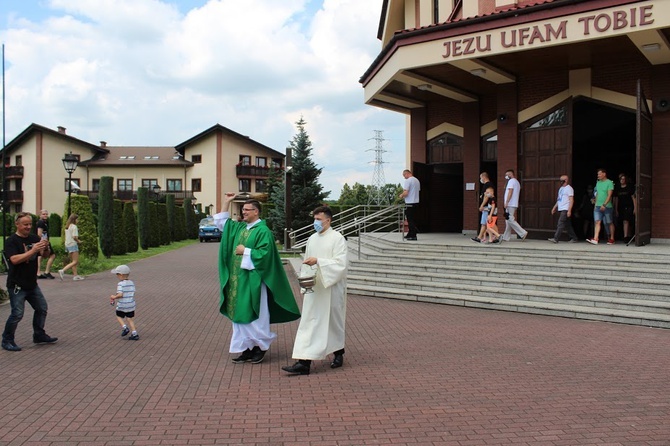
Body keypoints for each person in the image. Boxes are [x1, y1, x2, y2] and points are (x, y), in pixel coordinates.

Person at [215, 194, 300, 364]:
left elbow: (266, 255)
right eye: (243, 210)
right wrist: (226, 202)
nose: (243, 212)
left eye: (247, 210)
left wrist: (245, 251)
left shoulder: (263, 231)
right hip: (238, 281)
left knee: (256, 313)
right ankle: (246, 348)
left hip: (254, 280)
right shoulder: (240, 228)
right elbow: (221, 223)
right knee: (239, 315)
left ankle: (260, 347)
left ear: (256, 212)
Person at [282, 206, 348, 376]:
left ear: (329, 220)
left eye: (319, 219)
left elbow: (341, 264)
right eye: (314, 219)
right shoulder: (312, 238)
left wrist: (319, 261)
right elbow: (306, 261)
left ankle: (338, 353)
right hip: (315, 287)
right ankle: (304, 362)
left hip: (331, 287)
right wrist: (305, 283)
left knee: (333, 322)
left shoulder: (337, 238)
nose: (315, 222)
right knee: (310, 322)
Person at [1, 212, 58, 352]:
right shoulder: (11, 241)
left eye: (30, 224)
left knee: (42, 308)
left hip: (32, 284)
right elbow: (14, 259)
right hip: (17, 285)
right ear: (17, 224)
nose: (28, 227)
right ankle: (7, 340)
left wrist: (46, 248)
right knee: (17, 314)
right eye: (25, 224)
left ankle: (39, 335)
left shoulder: (34, 238)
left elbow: (44, 255)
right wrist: (33, 251)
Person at [109, 264, 139, 340]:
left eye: (117, 274)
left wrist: (114, 297)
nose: (117, 276)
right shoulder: (131, 282)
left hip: (123, 304)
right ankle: (134, 333)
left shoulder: (120, 284)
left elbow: (120, 294)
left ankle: (125, 327)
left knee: (118, 316)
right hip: (131, 304)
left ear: (121, 275)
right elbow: (133, 292)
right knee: (130, 318)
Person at [587, 168, 615, 245]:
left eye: (599, 174)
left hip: (607, 206)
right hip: (598, 206)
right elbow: (597, 194)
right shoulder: (598, 183)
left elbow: (609, 195)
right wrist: (595, 204)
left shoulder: (609, 182)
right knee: (597, 221)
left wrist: (604, 204)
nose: (598, 175)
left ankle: (612, 238)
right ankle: (596, 238)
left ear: (604, 174)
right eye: (598, 174)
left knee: (609, 222)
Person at [548, 175, 578, 243]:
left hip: (565, 208)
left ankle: (556, 238)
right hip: (561, 208)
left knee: (560, 223)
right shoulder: (561, 189)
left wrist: (569, 210)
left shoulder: (569, 189)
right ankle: (574, 238)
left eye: (562, 180)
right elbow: (559, 199)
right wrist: (554, 207)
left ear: (566, 180)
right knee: (568, 225)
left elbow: (571, 200)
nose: (561, 181)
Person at [501, 169, 528, 241]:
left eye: (507, 175)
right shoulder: (516, 182)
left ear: (510, 174)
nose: (506, 176)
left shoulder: (511, 181)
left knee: (510, 219)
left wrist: (506, 201)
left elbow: (510, 191)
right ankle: (506, 237)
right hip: (514, 203)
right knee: (508, 220)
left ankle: (522, 232)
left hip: (510, 203)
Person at [59, 213, 84, 281]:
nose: (78, 220)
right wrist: (79, 241)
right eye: (77, 219)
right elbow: (74, 237)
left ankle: (75, 275)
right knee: (75, 261)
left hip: (67, 244)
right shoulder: (74, 227)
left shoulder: (68, 226)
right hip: (73, 244)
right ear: (74, 219)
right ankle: (63, 270)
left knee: (73, 261)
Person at [472, 172, 494, 243]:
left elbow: (487, 196)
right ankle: (480, 237)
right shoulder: (486, 185)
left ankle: (497, 236)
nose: (480, 179)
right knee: (484, 224)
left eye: (481, 177)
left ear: (484, 177)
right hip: (486, 207)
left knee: (486, 224)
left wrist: (482, 205)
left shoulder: (488, 185)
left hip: (487, 207)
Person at [399, 169, 420, 241]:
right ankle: (410, 233)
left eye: (404, 175)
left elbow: (406, 192)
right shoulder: (417, 180)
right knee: (413, 219)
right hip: (416, 202)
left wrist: (401, 195)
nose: (404, 177)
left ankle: (413, 235)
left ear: (407, 173)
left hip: (409, 203)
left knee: (410, 219)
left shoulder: (408, 181)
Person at [615, 173, 636, 243]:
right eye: (621, 179)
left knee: (626, 221)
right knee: (624, 221)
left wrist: (635, 208)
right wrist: (616, 209)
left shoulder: (629, 187)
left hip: (629, 206)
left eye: (623, 179)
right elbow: (616, 199)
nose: (622, 180)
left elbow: (633, 198)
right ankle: (628, 235)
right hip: (621, 207)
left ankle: (625, 237)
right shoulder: (618, 188)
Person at [36, 209, 56, 279]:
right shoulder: (41, 222)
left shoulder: (44, 222)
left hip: (45, 241)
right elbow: (39, 233)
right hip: (44, 242)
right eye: (44, 214)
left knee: (40, 256)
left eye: (46, 214)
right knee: (51, 255)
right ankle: (43, 272)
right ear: (40, 215)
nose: (45, 215)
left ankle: (40, 272)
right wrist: (44, 242)